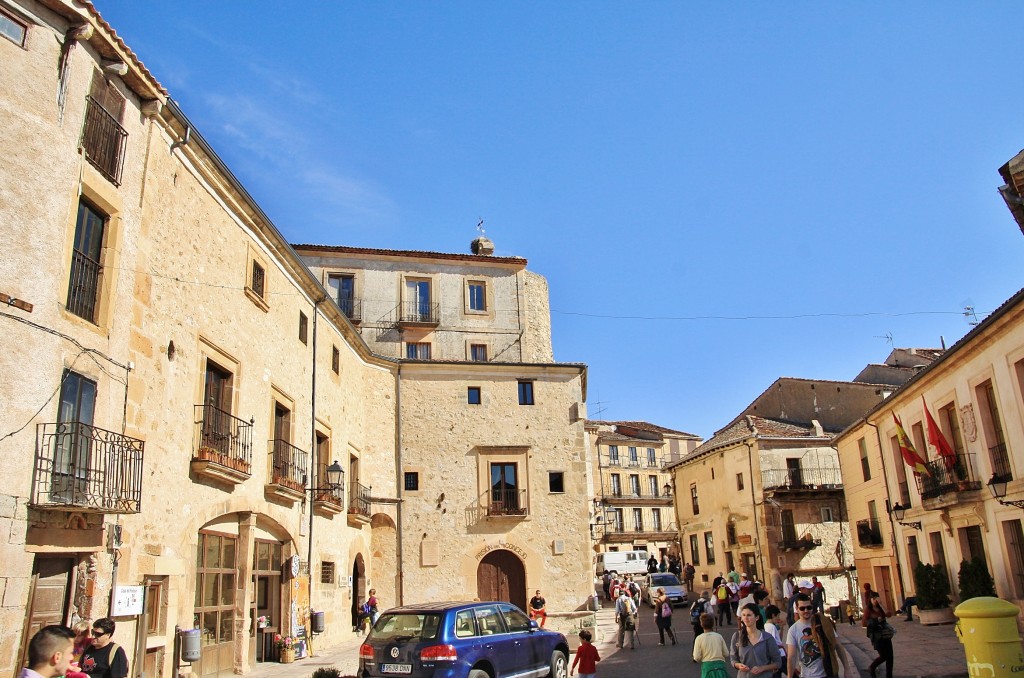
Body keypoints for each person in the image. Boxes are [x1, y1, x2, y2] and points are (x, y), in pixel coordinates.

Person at [786, 593, 855, 678]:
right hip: (807, 675)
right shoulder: (793, 630)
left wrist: (847, 669)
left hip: (829, 673)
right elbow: (791, 657)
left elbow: (838, 646)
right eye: (802, 608)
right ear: (797, 609)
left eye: (809, 607)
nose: (806, 610)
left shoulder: (823, 622)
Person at [730, 603, 781, 678]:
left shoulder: (767, 638)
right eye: (743, 615)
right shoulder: (737, 636)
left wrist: (762, 668)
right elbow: (733, 659)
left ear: (757, 617)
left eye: (749, 615)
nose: (745, 618)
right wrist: (738, 665)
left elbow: (778, 662)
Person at [863, 591, 893, 678]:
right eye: (873, 599)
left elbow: (889, 614)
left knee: (890, 657)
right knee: (883, 656)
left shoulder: (880, 608)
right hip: (876, 636)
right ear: (870, 600)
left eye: (876, 599)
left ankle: (889, 676)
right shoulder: (868, 609)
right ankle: (872, 667)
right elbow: (864, 623)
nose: (875, 601)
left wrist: (882, 604)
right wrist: (876, 621)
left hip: (885, 634)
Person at [692, 613, 730, 677]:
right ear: (712, 623)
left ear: (701, 624)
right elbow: (726, 653)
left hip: (707, 667)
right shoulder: (719, 636)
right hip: (720, 666)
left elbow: (696, 658)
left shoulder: (699, 638)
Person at [764, 605, 787, 678]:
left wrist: (781, 628)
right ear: (773, 615)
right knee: (792, 673)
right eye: (778, 616)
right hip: (780, 655)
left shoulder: (766, 626)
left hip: (777, 655)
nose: (778, 618)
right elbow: (772, 644)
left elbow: (778, 640)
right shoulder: (771, 627)